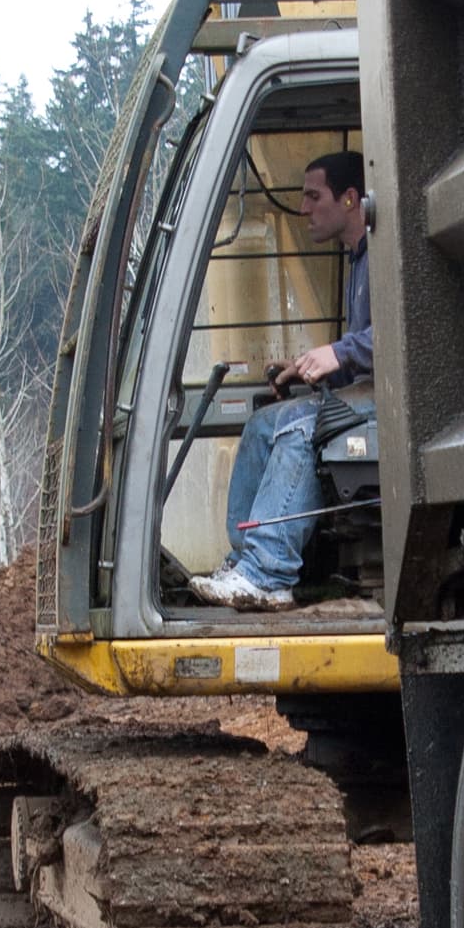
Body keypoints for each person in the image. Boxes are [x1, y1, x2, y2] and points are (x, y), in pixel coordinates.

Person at [194, 150, 377, 611]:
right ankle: (245, 564)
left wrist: (338, 352)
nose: (303, 209)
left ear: (351, 199)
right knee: (262, 425)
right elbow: (361, 350)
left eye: (314, 197)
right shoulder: (358, 260)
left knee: (301, 427)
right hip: (369, 392)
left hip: (397, 401)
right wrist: (309, 364)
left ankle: (268, 572)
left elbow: (404, 333)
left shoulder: (385, 256)